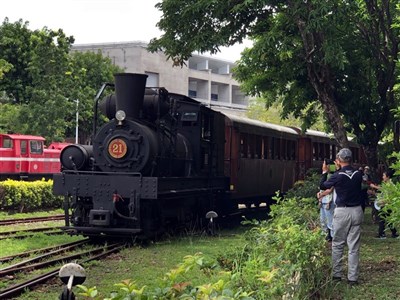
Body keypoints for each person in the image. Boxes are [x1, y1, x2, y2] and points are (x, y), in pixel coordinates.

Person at [320, 148, 363, 286]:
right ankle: (352, 278)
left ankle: (337, 275)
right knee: (354, 246)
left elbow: (323, 185)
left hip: (342, 211)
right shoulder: (358, 174)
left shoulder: (337, 175)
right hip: (357, 210)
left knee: (338, 244)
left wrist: (325, 172)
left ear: (338, 160)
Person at [369, 170, 399, 239]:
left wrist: (374, 186)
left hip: (387, 205)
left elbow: (384, 190)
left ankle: (382, 234)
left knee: (382, 219)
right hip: (384, 204)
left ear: (388, 177)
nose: (383, 177)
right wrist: (374, 193)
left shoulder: (390, 184)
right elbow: (383, 194)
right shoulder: (386, 183)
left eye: (384, 176)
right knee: (388, 220)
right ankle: (393, 234)